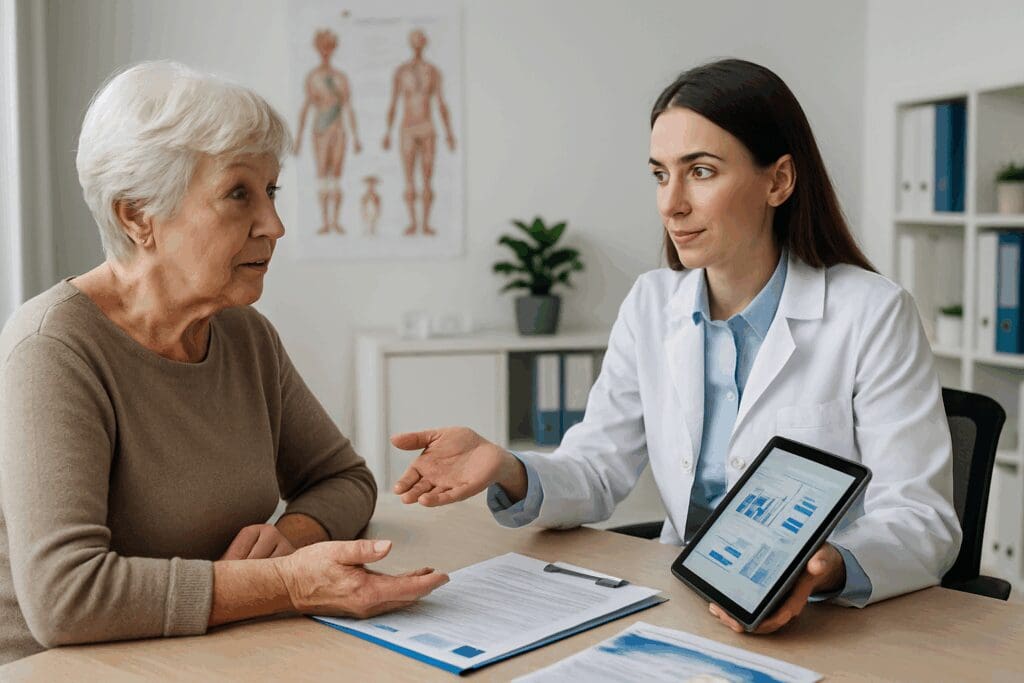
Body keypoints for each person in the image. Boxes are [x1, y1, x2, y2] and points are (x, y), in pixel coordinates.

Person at [390, 58, 961, 634]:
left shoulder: (872, 313)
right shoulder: (651, 303)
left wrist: (825, 567)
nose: (672, 204)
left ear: (779, 181)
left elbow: (921, 520)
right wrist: (508, 468)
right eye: (661, 174)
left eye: (702, 171)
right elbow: (596, 469)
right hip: (681, 603)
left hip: (824, 623)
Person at [0, 61, 446, 665]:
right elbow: (66, 599)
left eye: (272, 191)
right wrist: (284, 582)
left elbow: (344, 481)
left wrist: (289, 540)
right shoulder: (53, 348)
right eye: (239, 194)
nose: (275, 225)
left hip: (211, 650)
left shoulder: (245, 336)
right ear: (137, 216)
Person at [382, 29, 457, 236]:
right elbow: (394, 103)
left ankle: (425, 224)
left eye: (420, 41)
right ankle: (413, 223)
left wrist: (449, 132)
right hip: (407, 127)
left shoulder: (433, 72)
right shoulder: (401, 72)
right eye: (414, 41)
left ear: (424, 44)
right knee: (409, 179)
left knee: (426, 178)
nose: (417, 45)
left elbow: (441, 103)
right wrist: (387, 132)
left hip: (427, 127)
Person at [293, 29, 362, 234]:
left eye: (329, 47)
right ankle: (324, 222)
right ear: (317, 48)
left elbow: (349, 107)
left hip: (338, 129)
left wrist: (357, 137)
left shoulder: (341, 77)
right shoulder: (313, 77)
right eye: (323, 46)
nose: (326, 51)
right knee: (323, 175)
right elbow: (306, 107)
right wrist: (298, 138)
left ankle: (336, 221)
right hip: (320, 129)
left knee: (337, 176)